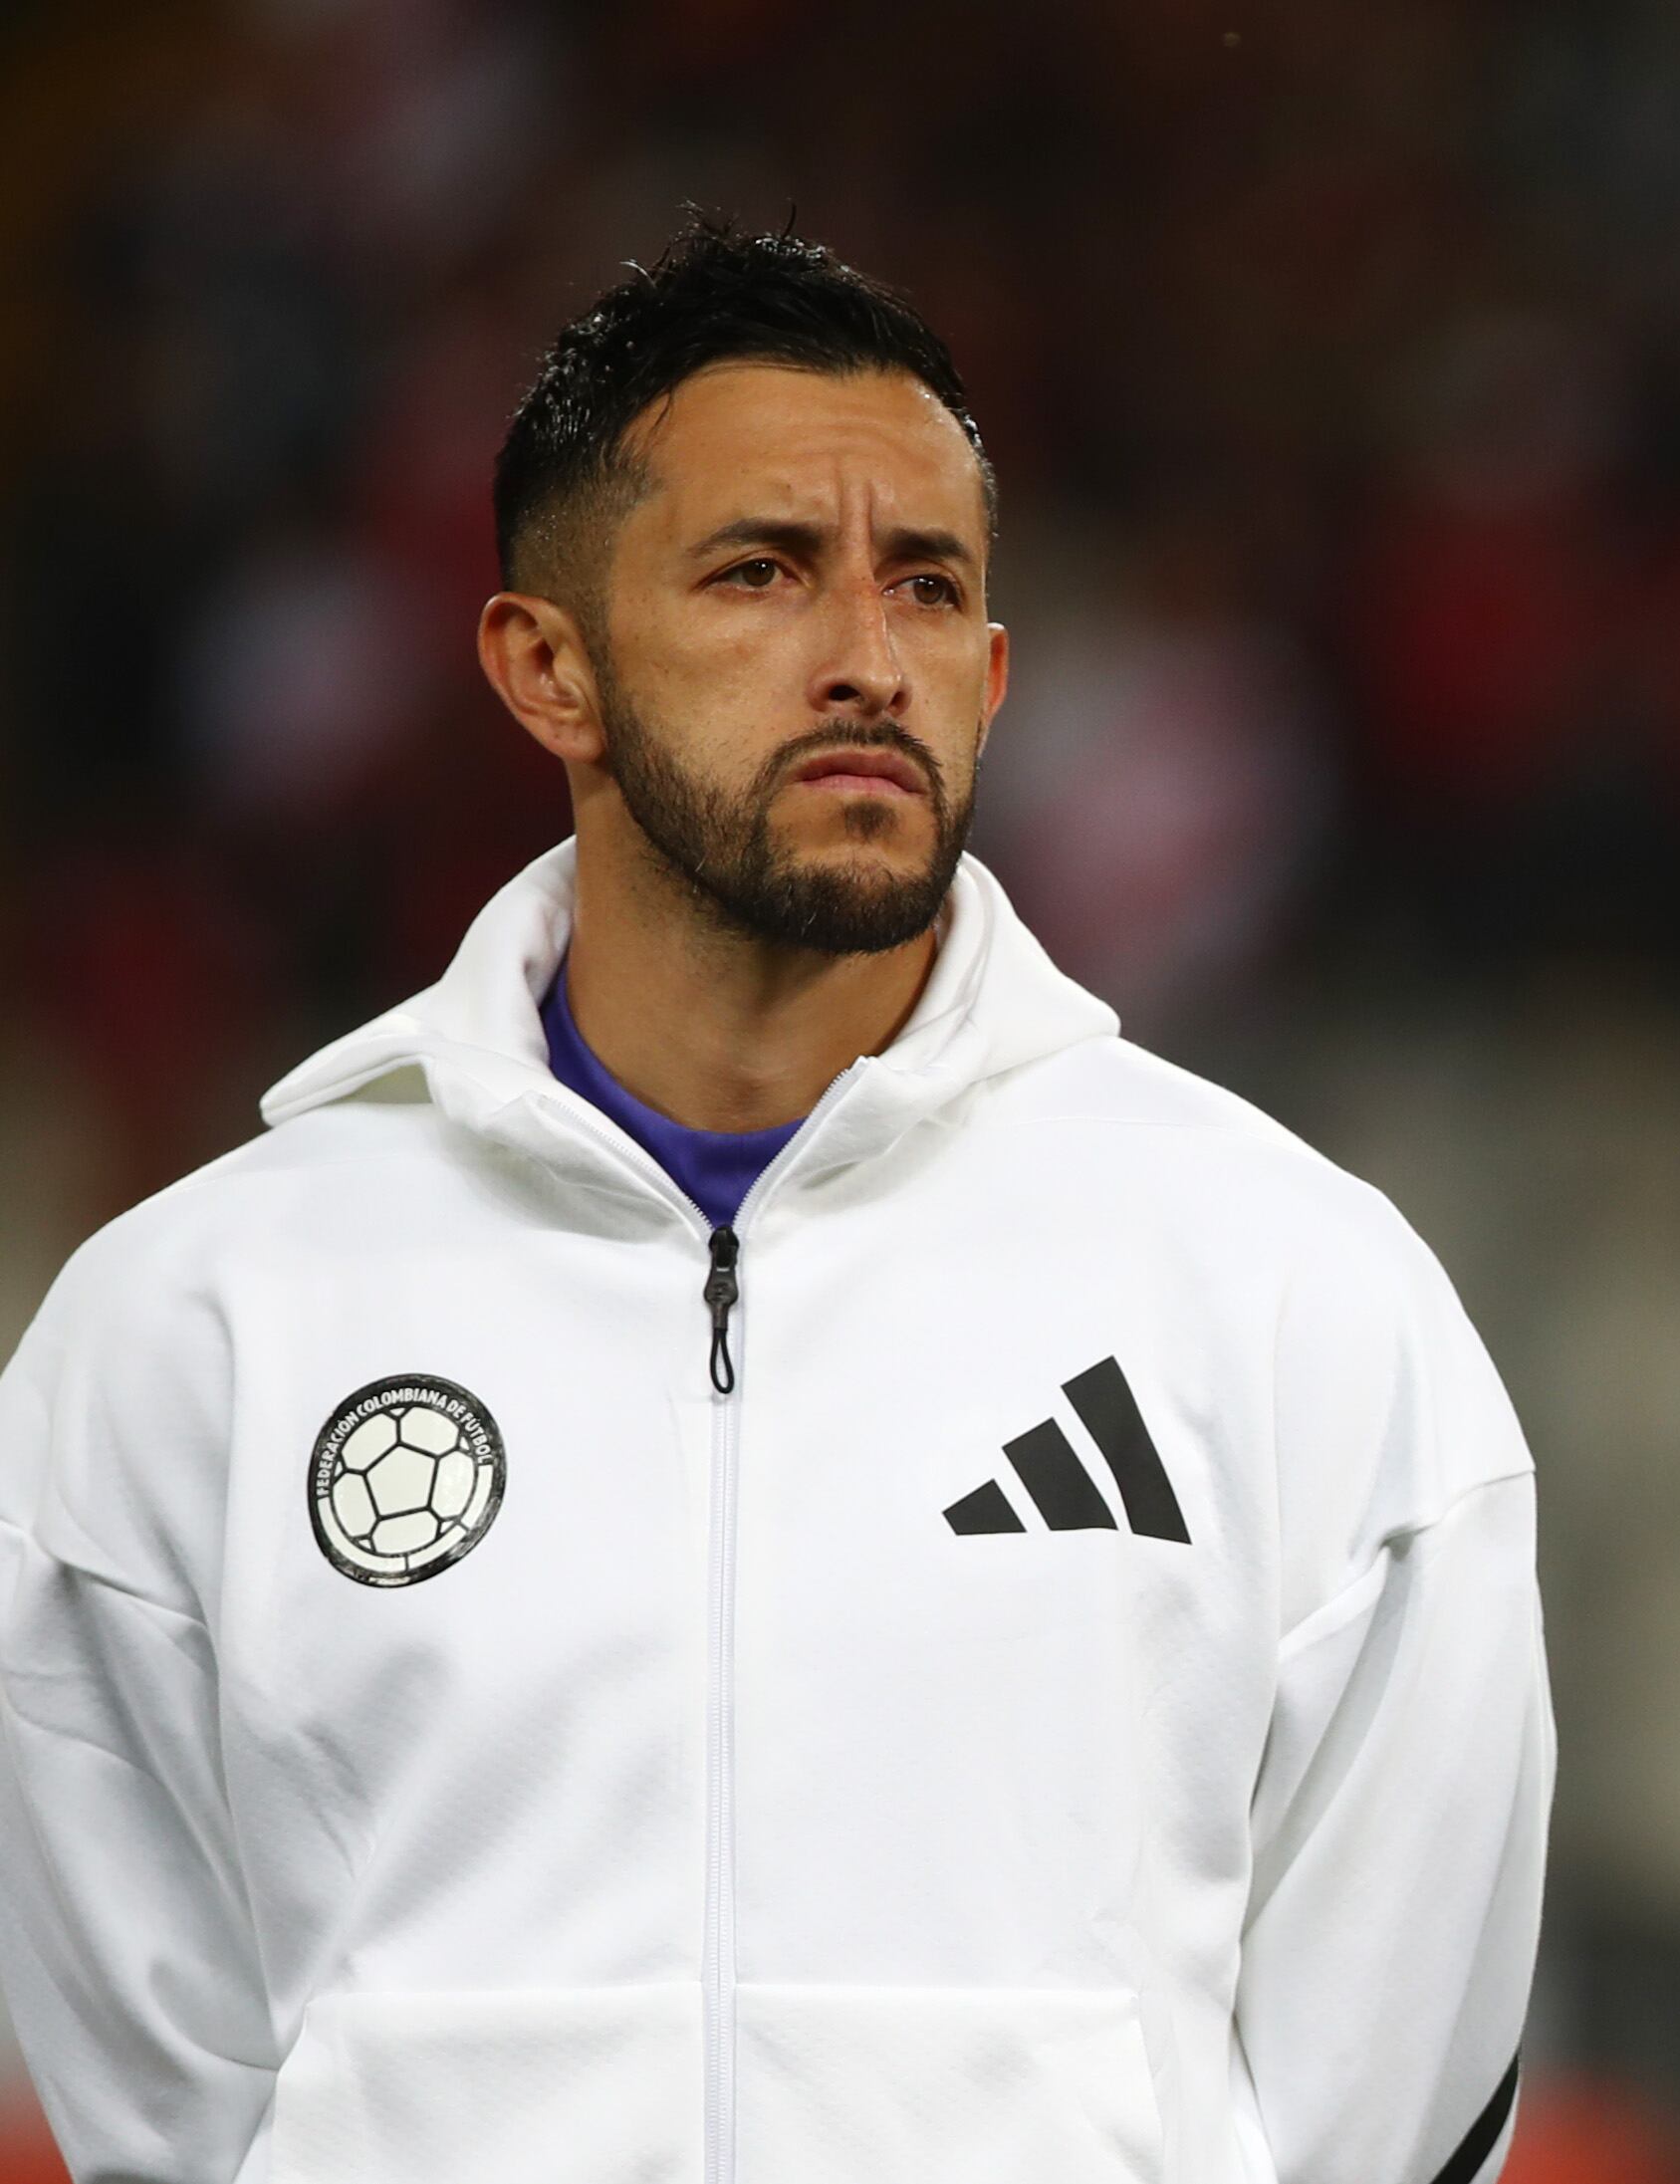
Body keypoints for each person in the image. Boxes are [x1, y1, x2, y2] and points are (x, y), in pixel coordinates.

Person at [0, 217, 1549, 2184]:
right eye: (762, 573)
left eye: (927, 587)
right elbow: (164, 2094)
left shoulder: (1288, 1291)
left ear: (994, 674)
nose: (866, 658)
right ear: (544, 663)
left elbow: (1394, 2097)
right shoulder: (198, 1326)